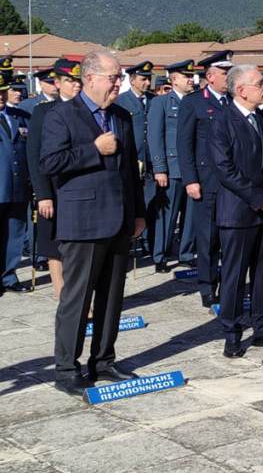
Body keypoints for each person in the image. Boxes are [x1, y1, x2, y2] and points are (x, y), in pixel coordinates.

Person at [41, 50, 146, 395]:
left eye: (120, 77)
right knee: (78, 298)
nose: (119, 83)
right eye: (112, 77)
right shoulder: (62, 115)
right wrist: (93, 149)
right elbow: (51, 162)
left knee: (112, 298)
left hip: (119, 220)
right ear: (89, 79)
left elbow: (131, 170)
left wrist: (139, 212)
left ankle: (103, 361)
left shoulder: (122, 116)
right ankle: (66, 367)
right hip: (82, 221)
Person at [208, 64, 263, 357]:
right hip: (238, 211)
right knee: (234, 277)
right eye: (259, 83)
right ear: (241, 90)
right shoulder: (221, 121)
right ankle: (232, 333)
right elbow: (224, 169)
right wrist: (258, 197)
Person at [177, 51, 233, 308]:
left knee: (230, 237)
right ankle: (208, 287)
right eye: (224, 73)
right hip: (206, 179)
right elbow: (184, 144)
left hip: (232, 181)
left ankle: (230, 284)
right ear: (210, 76)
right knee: (208, 237)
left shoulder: (234, 101)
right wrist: (190, 179)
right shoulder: (194, 102)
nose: (229, 77)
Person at [25, 59, 82, 298]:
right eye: (70, 81)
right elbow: (34, 154)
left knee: (79, 246)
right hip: (55, 188)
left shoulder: (89, 109)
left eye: (78, 80)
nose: (75, 86)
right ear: (58, 83)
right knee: (54, 244)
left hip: (81, 189)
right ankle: (61, 293)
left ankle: (79, 293)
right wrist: (44, 194)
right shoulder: (44, 111)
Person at [148, 60, 197, 273]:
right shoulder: (161, 103)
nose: (190, 80)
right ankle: (160, 255)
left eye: (191, 76)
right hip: (173, 165)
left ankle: (186, 253)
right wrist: (160, 167)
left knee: (191, 214)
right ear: (174, 79)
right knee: (167, 216)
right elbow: (155, 136)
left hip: (193, 167)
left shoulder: (195, 101)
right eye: (186, 76)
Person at [114, 61, 156, 255]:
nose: (147, 83)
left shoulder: (154, 100)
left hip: (151, 161)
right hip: (133, 160)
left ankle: (148, 242)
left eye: (149, 78)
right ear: (132, 80)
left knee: (151, 203)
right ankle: (132, 242)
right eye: (143, 79)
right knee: (134, 203)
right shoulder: (121, 102)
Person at [0, 72, 32, 295]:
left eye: (3, 91)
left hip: (17, 186)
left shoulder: (21, 116)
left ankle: (8, 276)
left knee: (14, 233)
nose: (1, 96)